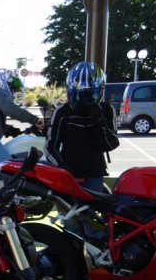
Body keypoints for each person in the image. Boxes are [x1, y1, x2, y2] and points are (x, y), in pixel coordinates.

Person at [44, 61, 120, 193]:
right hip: (68, 174)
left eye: (89, 94)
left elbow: (109, 144)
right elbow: (50, 146)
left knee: (89, 212)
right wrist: (62, 167)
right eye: (80, 93)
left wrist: (98, 120)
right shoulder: (62, 112)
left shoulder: (107, 110)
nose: (84, 98)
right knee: (67, 211)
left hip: (95, 172)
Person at [0, 69, 45, 166]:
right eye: (12, 88)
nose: (13, 92)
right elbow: (10, 109)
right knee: (11, 171)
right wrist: (35, 120)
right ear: (3, 82)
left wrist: (12, 130)